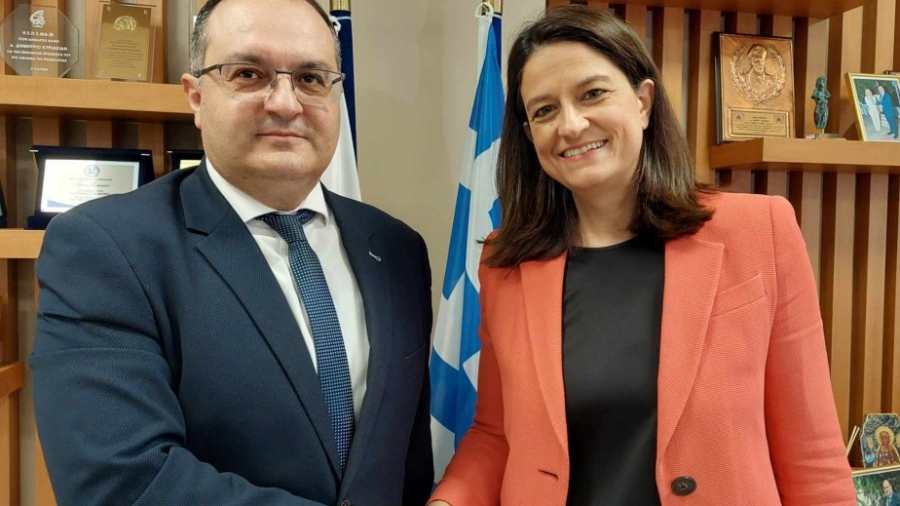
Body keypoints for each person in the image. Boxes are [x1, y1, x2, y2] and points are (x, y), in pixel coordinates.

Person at [429, 6, 855, 506]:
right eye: (544, 111)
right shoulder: (506, 265)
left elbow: (812, 456)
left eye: (592, 94)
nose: (571, 124)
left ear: (643, 101)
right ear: (529, 135)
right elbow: (497, 436)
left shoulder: (759, 231)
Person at [30, 0, 434, 504]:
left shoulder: (396, 249)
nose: (285, 103)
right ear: (196, 96)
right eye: (248, 73)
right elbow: (122, 481)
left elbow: (405, 462)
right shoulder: (106, 248)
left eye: (311, 79)